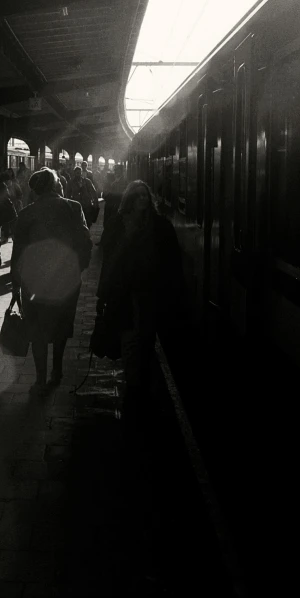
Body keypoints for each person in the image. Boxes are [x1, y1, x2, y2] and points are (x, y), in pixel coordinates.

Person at [96, 180, 183, 429]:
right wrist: (103, 296)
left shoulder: (161, 227)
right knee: (131, 341)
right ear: (129, 200)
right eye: (138, 197)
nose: (143, 201)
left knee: (146, 342)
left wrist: (175, 294)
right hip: (126, 296)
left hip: (152, 295)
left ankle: (139, 386)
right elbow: (108, 262)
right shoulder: (118, 225)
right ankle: (135, 391)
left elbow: (172, 263)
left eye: (145, 196)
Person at [11, 168, 92, 394]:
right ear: (57, 185)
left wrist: (15, 284)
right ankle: (57, 371)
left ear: (35, 190)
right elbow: (86, 243)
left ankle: (39, 379)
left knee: (37, 330)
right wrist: (78, 269)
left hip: (33, 282)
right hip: (66, 280)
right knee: (61, 327)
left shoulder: (26, 214)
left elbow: (17, 253)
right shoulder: (73, 207)